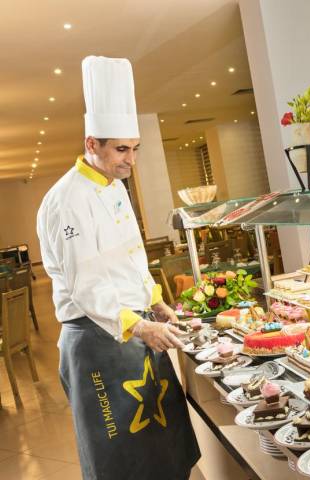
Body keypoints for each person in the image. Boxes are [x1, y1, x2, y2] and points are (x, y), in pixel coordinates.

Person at [37, 56, 200, 480]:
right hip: (97, 340)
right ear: (92, 144)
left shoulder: (114, 186)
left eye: (135, 148)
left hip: (137, 328)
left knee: (166, 449)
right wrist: (140, 325)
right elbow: (86, 285)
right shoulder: (66, 200)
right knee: (122, 461)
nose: (131, 160)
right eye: (122, 149)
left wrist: (156, 301)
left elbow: (130, 255)